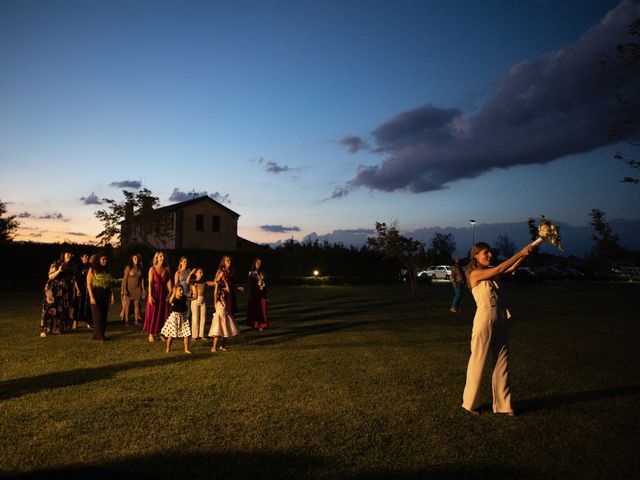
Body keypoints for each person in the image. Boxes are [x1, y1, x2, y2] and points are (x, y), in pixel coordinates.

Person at [461, 241, 534, 417]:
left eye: (490, 252)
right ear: (476, 255)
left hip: (500, 317)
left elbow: (508, 269)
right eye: (486, 253)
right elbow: (501, 269)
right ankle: (469, 403)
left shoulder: (490, 272)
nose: (490, 255)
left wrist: (525, 254)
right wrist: (520, 251)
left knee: (502, 361)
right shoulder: (475, 274)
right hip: (484, 319)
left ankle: (504, 405)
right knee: (478, 360)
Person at [45, 251, 79, 333]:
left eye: (71, 254)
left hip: (66, 289)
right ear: (63, 255)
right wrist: (58, 271)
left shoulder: (71, 266)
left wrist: (77, 289)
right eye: (68, 254)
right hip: (54, 288)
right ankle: (46, 329)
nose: (69, 255)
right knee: (51, 308)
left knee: (63, 309)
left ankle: (60, 328)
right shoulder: (56, 263)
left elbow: (73, 279)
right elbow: (50, 276)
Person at [143, 251, 172, 342]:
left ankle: (162, 333)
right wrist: (150, 296)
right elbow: (150, 283)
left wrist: (170, 293)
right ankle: (151, 333)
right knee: (153, 313)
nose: (162, 258)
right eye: (160, 256)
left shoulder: (167, 269)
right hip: (155, 293)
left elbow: (168, 282)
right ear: (157, 258)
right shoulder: (152, 269)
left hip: (163, 294)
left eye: (163, 256)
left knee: (163, 314)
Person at [86, 254, 115, 342]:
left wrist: (112, 295)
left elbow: (109, 284)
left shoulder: (106, 270)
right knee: (98, 316)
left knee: (104, 315)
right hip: (96, 294)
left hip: (105, 295)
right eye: (103, 259)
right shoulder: (93, 270)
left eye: (106, 259)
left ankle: (96, 334)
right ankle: (101, 336)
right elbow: (89, 284)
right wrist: (91, 297)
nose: (105, 261)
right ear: (98, 260)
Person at [209, 276, 238, 352]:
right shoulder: (217, 302)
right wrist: (217, 286)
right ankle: (214, 347)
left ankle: (222, 346)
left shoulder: (225, 301)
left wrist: (225, 281)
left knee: (226, 334)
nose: (223, 295)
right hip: (218, 319)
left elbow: (228, 291)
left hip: (225, 318)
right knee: (217, 334)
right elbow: (215, 293)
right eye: (221, 294)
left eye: (223, 294)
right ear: (219, 296)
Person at [161, 285, 192, 354]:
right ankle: (168, 348)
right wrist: (174, 293)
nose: (182, 291)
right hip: (174, 318)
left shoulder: (184, 297)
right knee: (171, 335)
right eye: (180, 290)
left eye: (182, 290)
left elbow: (194, 298)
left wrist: (194, 288)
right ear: (175, 291)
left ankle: (186, 349)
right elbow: (170, 301)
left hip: (183, 317)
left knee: (187, 334)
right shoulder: (174, 299)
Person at [121, 253, 146, 325]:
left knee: (137, 305)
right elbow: (125, 279)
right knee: (127, 305)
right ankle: (127, 321)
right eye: (135, 258)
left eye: (137, 258)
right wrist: (124, 289)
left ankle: (136, 320)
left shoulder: (140, 268)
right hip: (129, 288)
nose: (136, 260)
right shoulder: (128, 267)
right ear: (132, 259)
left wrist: (143, 289)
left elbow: (142, 280)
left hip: (137, 288)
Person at [246, 258, 269, 331]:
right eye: (257, 262)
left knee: (263, 309)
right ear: (254, 263)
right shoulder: (251, 273)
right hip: (255, 294)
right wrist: (251, 295)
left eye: (260, 262)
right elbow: (250, 285)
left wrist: (265, 292)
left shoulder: (262, 273)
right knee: (255, 310)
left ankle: (263, 325)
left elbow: (265, 284)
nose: (259, 264)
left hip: (262, 294)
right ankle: (255, 325)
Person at [187, 267, 207, 341]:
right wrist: (191, 273)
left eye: (202, 272)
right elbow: (187, 281)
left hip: (203, 301)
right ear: (196, 273)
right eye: (200, 272)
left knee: (203, 317)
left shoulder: (203, 282)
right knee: (195, 318)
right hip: (195, 301)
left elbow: (212, 283)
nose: (202, 274)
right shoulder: (193, 281)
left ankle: (202, 335)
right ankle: (194, 336)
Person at [74, 253, 93, 329]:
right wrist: (77, 289)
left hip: (88, 288)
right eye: (85, 256)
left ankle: (88, 322)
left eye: (87, 256)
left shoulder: (90, 266)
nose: (86, 257)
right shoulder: (78, 266)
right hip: (80, 288)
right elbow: (75, 279)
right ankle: (75, 322)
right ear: (81, 257)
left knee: (88, 305)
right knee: (78, 305)